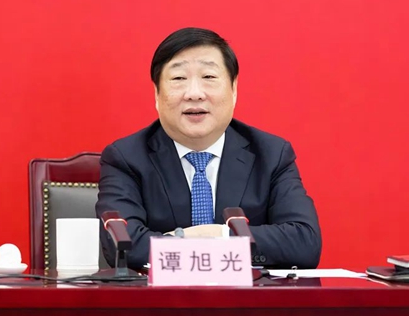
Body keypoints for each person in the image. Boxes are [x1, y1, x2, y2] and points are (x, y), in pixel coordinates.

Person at [95, 27, 322, 269]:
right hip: (164, 294)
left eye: (209, 77)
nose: (194, 93)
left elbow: (305, 243)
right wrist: (205, 241)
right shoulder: (126, 158)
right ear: (157, 94)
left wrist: (219, 236)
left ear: (234, 89)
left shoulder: (271, 154)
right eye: (178, 79)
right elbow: (122, 245)